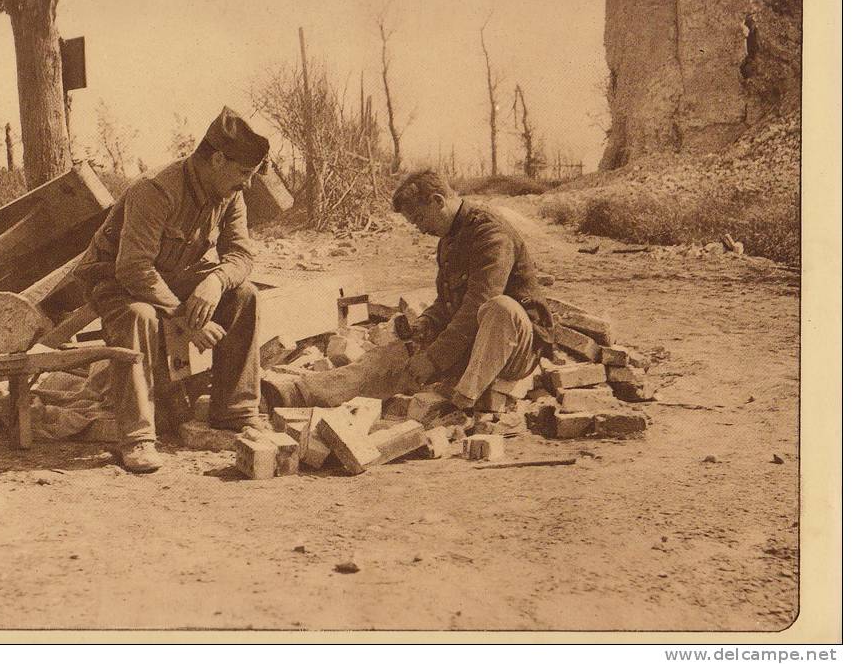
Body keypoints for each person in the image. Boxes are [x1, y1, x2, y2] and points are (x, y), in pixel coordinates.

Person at [72, 106, 270, 473]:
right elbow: (132, 267)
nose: (247, 183)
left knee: (245, 294)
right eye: (243, 173)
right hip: (114, 279)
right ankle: (138, 437)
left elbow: (241, 254)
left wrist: (216, 280)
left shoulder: (230, 194)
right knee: (139, 315)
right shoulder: (157, 189)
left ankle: (234, 412)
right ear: (217, 159)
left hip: (169, 273)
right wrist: (185, 317)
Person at [261, 169, 553, 413]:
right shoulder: (448, 238)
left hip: (513, 350)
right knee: (387, 358)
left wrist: (434, 358)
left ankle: (461, 405)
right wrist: (424, 326)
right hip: (467, 347)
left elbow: (477, 305)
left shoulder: (490, 234)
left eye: (419, 219)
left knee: (500, 308)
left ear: (437, 201)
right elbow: (447, 303)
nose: (419, 229)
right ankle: (298, 393)